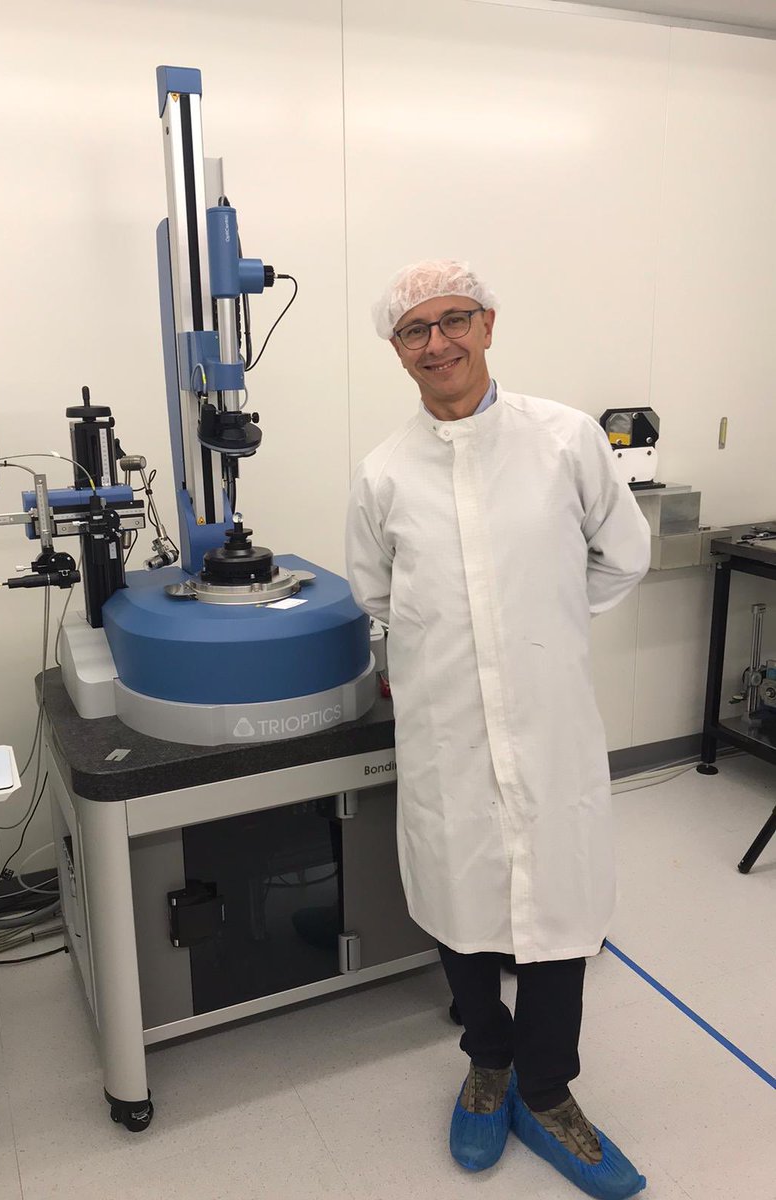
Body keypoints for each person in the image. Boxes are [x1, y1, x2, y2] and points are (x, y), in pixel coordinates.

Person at [344, 260, 650, 1200]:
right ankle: (488, 1060)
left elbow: (622, 555)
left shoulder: (564, 440)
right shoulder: (384, 473)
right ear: (396, 351)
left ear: (487, 324)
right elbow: (375, 595)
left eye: (455, 320)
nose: (437, 342)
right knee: (458, 889)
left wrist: (539, 633)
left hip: (548, 722)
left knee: (559, 902)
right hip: (444, 726)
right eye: (415, 329)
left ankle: (548, 1091)